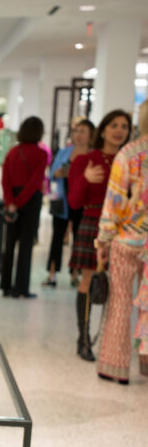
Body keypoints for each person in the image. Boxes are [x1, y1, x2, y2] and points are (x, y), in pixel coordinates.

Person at [68, 109, 132, 360]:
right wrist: (84, 179)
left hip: (123, 230)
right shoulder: (87, 160)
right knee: (87, 282)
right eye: (114, 125)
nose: (119, 131)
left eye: (124, 126)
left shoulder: (130, 161)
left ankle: (112, 342)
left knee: (119, 288)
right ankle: (83, 340)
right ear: (103, 130)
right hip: (91, 224)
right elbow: (73, 202)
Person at [94, 100, 148, 382]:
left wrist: (103, 239)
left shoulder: (128, 154)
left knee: (120, 303)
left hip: (126, 239)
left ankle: (115, 368)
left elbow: (114, 201)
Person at [43, 118, 94, 287]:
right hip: (62, 202)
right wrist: (58, 173)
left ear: (90, 135)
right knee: (57, 238)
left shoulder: (92, 155)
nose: (78, 135)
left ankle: (75, 274)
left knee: (79, 240)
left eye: (82, 132)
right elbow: (51, 175)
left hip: (83, 204)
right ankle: (52, 274)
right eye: (76, 131)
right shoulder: (65, 152)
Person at [0, 116, 47, 298]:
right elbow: (35, 182)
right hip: (31, 201)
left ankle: (5, 286)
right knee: (26, 246)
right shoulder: (41, 154)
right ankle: (21, 288)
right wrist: (20, 202)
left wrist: (11, 202)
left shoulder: (13, 152)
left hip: (13, 201)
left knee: (9, 244)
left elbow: (5, 180)